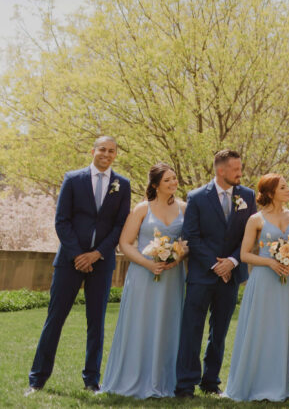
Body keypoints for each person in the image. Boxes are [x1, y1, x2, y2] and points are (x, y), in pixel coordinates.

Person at [27, 136, 132, 395]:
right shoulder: (73, 179)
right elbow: (62, 220)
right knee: (55, 320)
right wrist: (78, 255)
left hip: (102, 262)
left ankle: (91, 381)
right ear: (93, 151)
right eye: (102, 150)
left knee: (96, 323)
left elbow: (120, 225)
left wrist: (96, 254)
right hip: (69, 262)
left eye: (111, 151)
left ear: (116, 154)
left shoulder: (123, 184)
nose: (106, 154)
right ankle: (37, 380)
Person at [101, 163, 188, 398]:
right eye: (167, 180)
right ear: (155, 185)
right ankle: (132, 377)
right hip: (143, 274)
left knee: (168, 324)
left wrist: (177, 257)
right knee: (141, 322)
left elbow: (187, 242)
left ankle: (164, 379)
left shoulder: (184, 208)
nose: (173, 183)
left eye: (174, 179)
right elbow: (125, 243)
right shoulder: (142, 209)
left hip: (171, 277)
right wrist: (149, 263)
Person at [175, 149, 257, 398]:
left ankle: (211, 381)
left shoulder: (247, 196)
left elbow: (249, 235)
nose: (240, 173)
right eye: (235, 169)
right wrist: (214, 264)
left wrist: (232, 261)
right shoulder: (197, 197)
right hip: (202, 274)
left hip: (230, 274)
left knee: (219, 331)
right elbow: (192, 236)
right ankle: (186, 383)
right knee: (192, 330)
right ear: (221, 170)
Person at [224, 174, 289, 401]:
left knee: (280, 330)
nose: (288, 191)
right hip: (264, 280)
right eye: (283, 187)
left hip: (285, 283)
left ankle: (278, 386)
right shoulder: (256, 220)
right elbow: (244, 254)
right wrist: (270, 261)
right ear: (270, 192)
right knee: (259, 330)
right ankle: (252, 384)